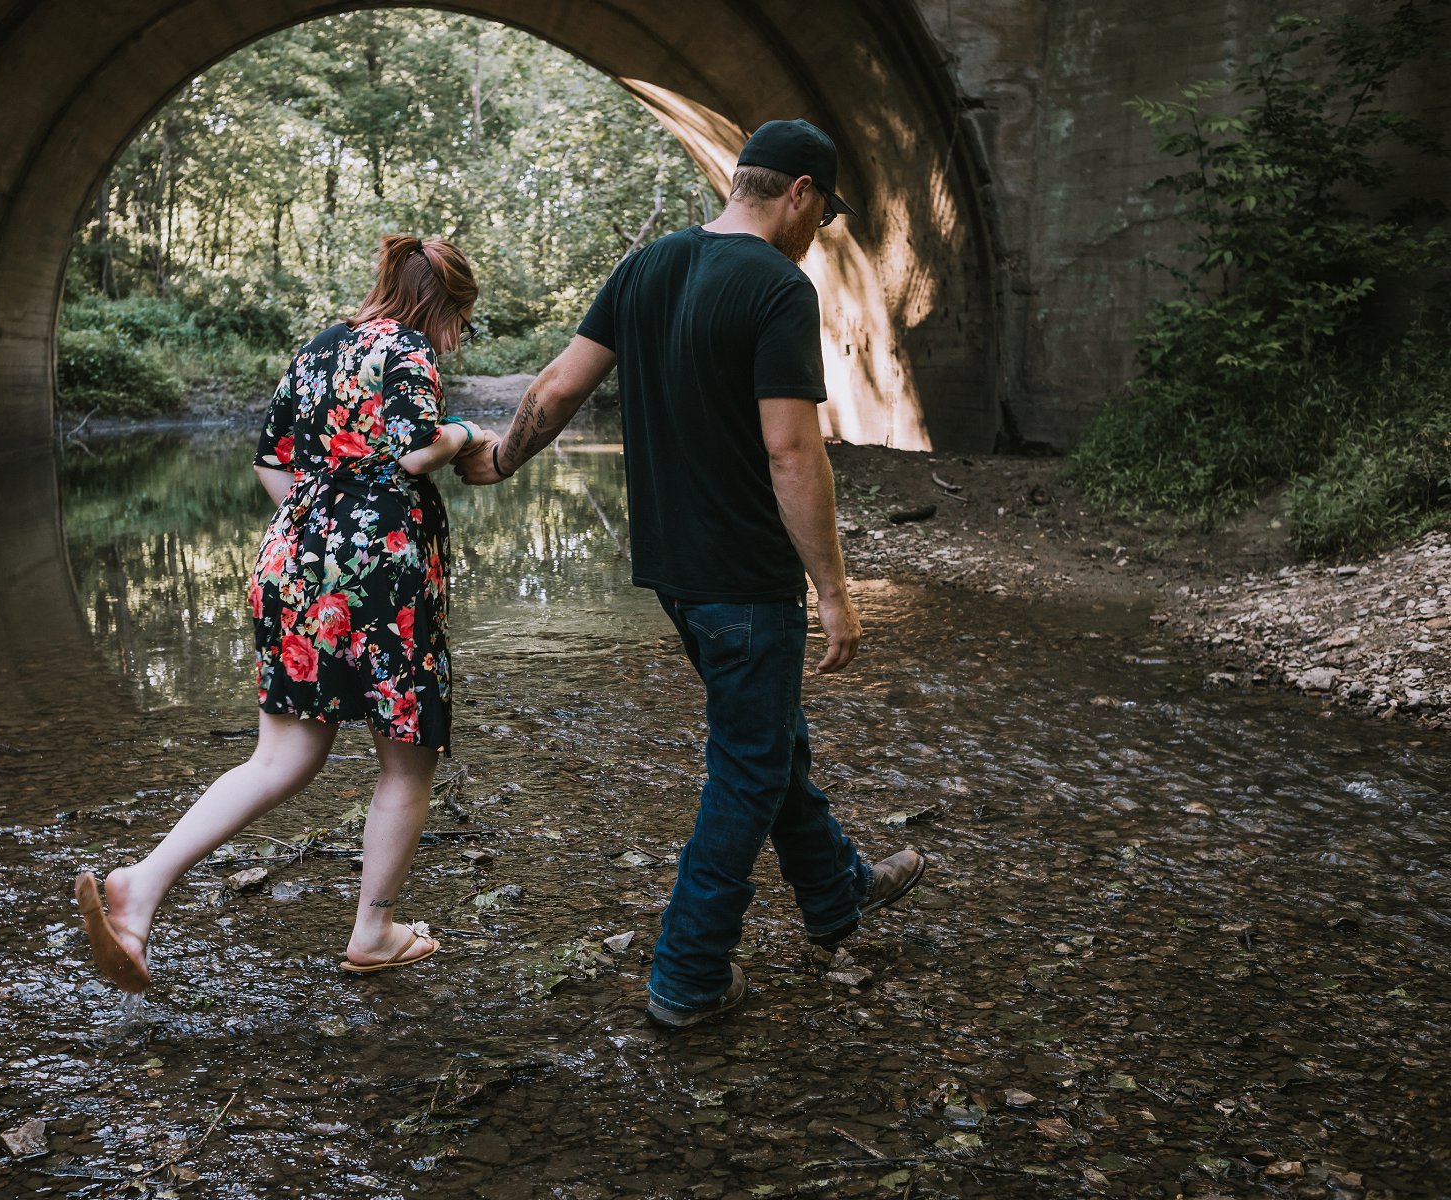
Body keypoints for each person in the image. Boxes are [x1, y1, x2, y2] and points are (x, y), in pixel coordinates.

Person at [458, 120, 927, 1028]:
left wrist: (498, 460)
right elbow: (791, 451)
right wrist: (834, 590)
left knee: (766, 737)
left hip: (672, 569)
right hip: (746, 574)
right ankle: (689, 974)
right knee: (748, 768)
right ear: (797, 191)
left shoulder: (647, 266)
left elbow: (558, 387)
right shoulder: (777, 287)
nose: (817, 232)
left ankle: (836, 893)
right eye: (822, 214)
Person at [77, 234, 489, 991]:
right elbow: (417, 450)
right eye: (460, 321)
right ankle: (374, 931)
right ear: (444, 306)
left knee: (282, 757)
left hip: (290, 566)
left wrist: (319, 530)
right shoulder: (405, 348)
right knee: (407, 756)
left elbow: (271, 464)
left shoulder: (319, 348)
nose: (455, 338)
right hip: (383, 581)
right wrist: (470, 433)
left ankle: (141, 885)